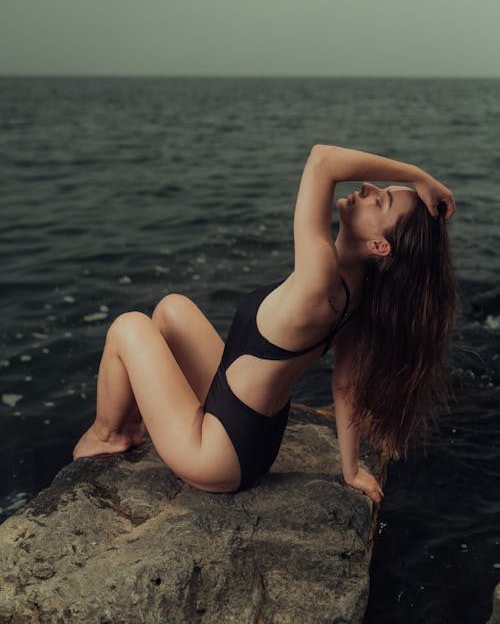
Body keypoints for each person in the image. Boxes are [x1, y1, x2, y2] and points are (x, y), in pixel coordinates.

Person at [73, 145, 457, 505]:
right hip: (254, 443)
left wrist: (417, 175)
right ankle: (139, 420)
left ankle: (110, 434)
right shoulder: (356, 294)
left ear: (379, 246)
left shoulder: (319, 278)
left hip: (216, 456)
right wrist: (350, 469)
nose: (369, 187)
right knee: (173, 310)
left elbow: (322, 160)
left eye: (382, 201)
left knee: (128, 326)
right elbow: (346, 386)